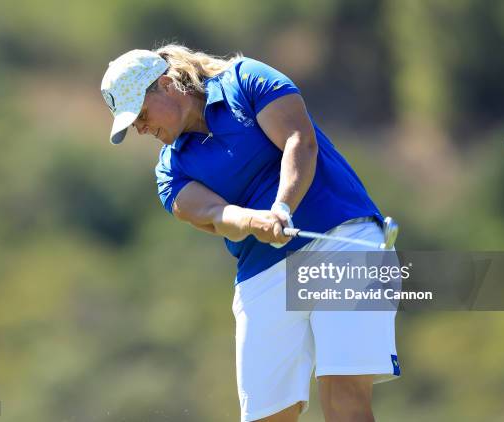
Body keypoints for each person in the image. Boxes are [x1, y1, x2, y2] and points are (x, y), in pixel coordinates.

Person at [100, 44, 400, 422]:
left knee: (344, 397)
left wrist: (282, 208)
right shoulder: (169, 171)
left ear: (164, 84)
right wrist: (251, 221)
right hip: (262, 273)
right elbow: (210, 213)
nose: (141, 129)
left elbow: (299, 140)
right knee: (266, 415)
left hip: (342, 240)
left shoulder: (246, 80)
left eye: (141, 115)